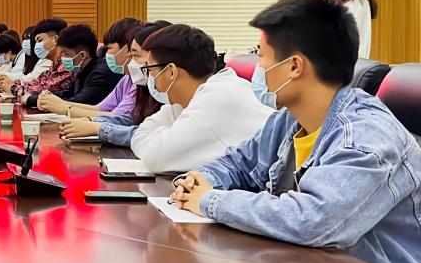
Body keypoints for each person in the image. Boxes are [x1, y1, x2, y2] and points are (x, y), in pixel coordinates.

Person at [171, 0, 420, 263]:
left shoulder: (366, 137)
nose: (257, 67)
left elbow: (314, 219)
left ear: (294, 66)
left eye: (261, 55)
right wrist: (202, 179)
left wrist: (210, 201)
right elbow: (239, 161)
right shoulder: (290, 119)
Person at [120, 24, 273, 173]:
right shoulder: (187, 100)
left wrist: (159, 135)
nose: (150, 77)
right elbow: (139, 136)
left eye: (150, 69)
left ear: (171, 71)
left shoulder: (216, 98)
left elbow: (154, 158)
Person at [61, 20, 169, 143]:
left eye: (136, 55)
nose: (132, 61)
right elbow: (132, 119)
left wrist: (99, 128)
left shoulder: (175, 100)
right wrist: (93, 122)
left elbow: (150, 136)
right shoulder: (143, 85)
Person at [38, 18, 142, 118]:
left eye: (109, 48)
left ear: (128, 49)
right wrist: (55, 102)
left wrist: (64, 108)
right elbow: (99, 108)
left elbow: (118, 117)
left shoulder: (104, 74)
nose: (106, 54)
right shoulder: (126, 79)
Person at [24, 23, 120, 109]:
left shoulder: (101, 73)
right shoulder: (82, 70)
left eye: (66, 54)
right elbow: (67, 93)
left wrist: (35, 101)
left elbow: (79, 102)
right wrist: (39, 98)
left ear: (83, 55)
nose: (62, 59)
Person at [0, 18, 70, 99]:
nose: (37, 46)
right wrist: (13, 84)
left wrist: (13, 88)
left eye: (40, 40)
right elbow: (38, 83)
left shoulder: (66, 64)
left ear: (55, 40)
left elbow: (46, 89)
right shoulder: (54, 65)